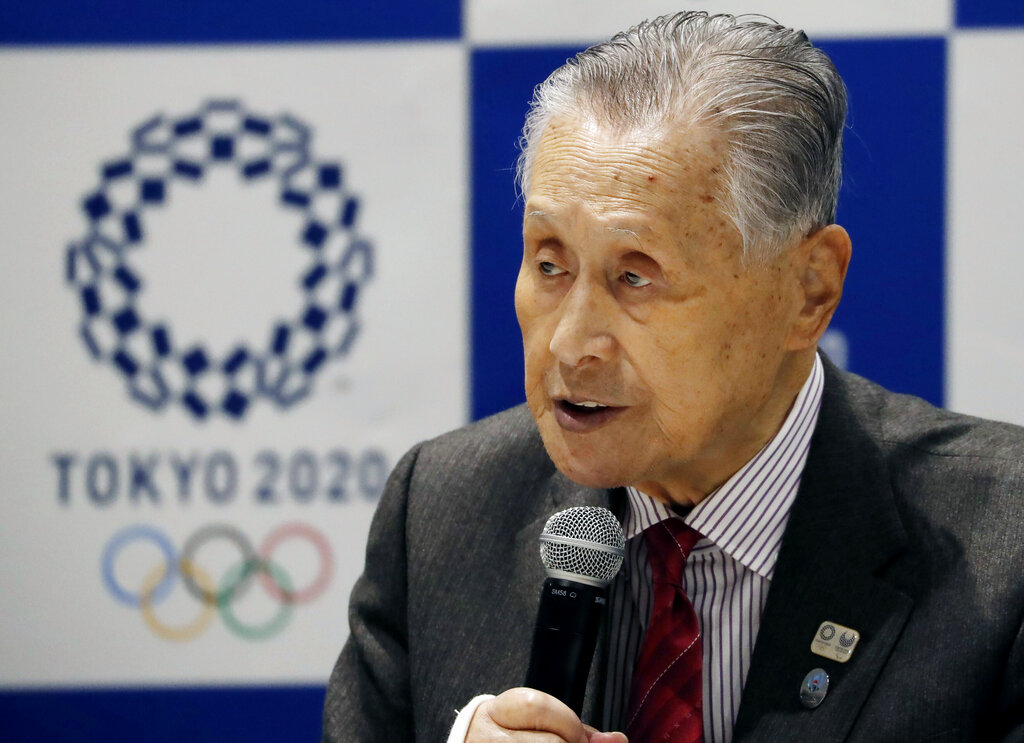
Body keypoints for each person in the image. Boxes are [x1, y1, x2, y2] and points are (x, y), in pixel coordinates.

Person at [322, 11, 1024, 743]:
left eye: (635, 276)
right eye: (550, 263)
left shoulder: (1005, 550)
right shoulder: (441, 513)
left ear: (808, 291)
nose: (569, 343)